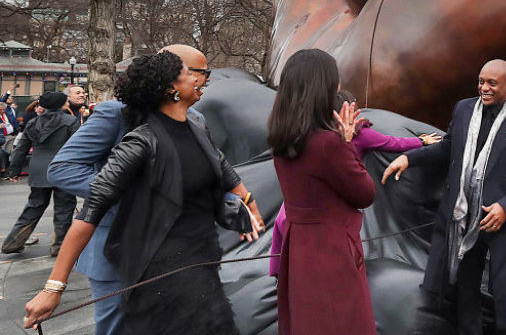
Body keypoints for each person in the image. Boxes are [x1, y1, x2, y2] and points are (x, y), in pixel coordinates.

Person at [24, 50, 263, 334]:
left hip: (181, 258)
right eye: (201, 72)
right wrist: (138, 196)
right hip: (117, 250)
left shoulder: (195, 120)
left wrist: (239, 203)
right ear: (170, 79)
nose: (207, 80)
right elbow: (64, 169)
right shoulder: (120, 118)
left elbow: (212, 170)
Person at [382, 59, 506, 335]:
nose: (484, 88)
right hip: (464, 216)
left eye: (492, 83)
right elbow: (448, 148)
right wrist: (408, 160)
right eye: (481, 81)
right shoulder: (464, 109)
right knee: (464, 290)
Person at [268, 89, 441, 279]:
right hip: (318, 190)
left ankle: (294, 270)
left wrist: (419, 142)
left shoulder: (358, 134)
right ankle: (279, 270)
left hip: (339, 190)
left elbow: (392, 142)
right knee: (282, 219)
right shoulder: (323, 135)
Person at [269, 49, 377, 334]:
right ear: (322, 87)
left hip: (298, 246)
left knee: (307, 321)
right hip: (331, 249)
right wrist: (348, 142)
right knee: (340, 322)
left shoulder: (281, 138)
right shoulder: (329, 144)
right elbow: (365, 193)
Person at [1, 92, 79, 256]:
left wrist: (14, 171)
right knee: (64, 209)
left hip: (38, 169)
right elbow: (78, 147)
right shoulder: (70, 121)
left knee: (34, 206)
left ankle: (13, 241)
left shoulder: (33, 122)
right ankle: (59, 245)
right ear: (60, 104)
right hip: (62, 169)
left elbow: (21, 148)